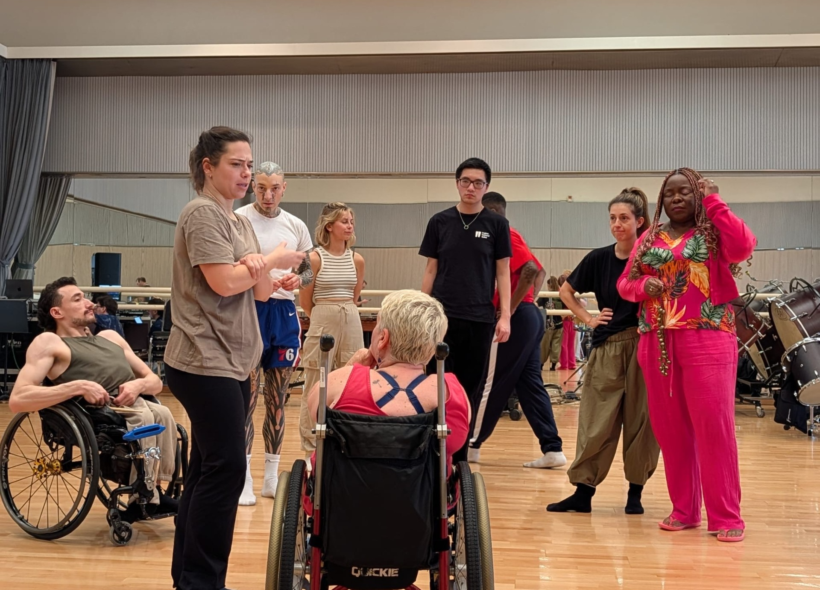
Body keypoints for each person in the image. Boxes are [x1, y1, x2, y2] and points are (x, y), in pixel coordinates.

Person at [164, 126, 304, 589]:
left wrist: (264, 270)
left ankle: (188, 577)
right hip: (203, 360)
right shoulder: (202, 214)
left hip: (233, 359)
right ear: (208, 166)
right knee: (226, 471)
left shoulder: (239, 221)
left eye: (249, 164)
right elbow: (225, 282)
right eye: (236, 164)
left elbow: (259, 287)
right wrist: (271, 259)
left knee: (207, 469)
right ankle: (202, 581)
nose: (246, 174)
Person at [617, 168, 755, 542]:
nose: (677, 199)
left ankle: (726, 515)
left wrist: (715, 202)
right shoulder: (649, 238)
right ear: (662, 199)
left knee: (714, 428)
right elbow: (624, 283)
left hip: (708, 336)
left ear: (698, 195)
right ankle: (685, 509)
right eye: (670, 193)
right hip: (657, 339)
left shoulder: (713, 231)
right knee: (670, 430)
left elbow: (744, 246)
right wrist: (644, 285)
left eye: (686, 193)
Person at [9, 277, 178, 519]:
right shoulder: (50, 342)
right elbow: (18, 398)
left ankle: (154, 490)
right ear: (57, 312)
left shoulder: (110, 337)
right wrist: (77, 386)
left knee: (162, 413)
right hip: (98, 412)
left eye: (85, 297)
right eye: (77, 299)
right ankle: (145, 494)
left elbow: (154, 382)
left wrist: (137, 385)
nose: (89, 303)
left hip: (131, 402)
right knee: (146, 416)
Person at [547, 188, 660, 515]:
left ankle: (634, 494)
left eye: (624, 218)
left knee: (642, 421)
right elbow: (566, 291)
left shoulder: (652, 260)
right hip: (607, 348)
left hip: (644, 345)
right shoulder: (598, 258)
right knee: (596, 421)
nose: (617, 224)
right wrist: (588, 318)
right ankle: (583, 494)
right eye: (612, 218)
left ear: (639, 221)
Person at [307, 289, 469, 471]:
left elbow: (315, 415)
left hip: (341, 494)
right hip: (420, 496)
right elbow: (455, 443)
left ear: (383, 338)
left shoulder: (342, 381)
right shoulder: (449, 391)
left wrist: (352, 368)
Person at [419, 157, 511, 463]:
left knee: (469, 388)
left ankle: (458, 456)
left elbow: (502, 273)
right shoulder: (440, 221)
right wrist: (421, 310)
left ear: (487, 187)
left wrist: (506, 316)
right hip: (441, 319)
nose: (471, 187)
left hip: (479, 319)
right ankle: (431, 450)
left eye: (478, 183)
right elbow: (431, 270)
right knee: (435, 382)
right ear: (457, 183)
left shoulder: (497, 224)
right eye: (465, 181)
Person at [234, 161, 314, 505]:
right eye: (262, 187)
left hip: (283, 313)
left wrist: (299, 280)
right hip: (249, 310)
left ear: (285, 189)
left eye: (275, 188)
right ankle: (244, 480)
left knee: (278, 399)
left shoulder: (295, 224)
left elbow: (309, 270)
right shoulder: (239, 219)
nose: (268, 194)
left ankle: (270, 476)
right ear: (253, 186)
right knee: (246, 400)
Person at [467, 192, 565, 468]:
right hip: (527, 316)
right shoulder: (505, 236)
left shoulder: (504, 232)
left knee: (491, 382)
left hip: (517, 318)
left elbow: (532, 270)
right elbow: (541, 272)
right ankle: (552, 449)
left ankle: (472, 445)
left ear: (492, 211)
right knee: (529, 384)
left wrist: (509, 309)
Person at [296, 202, 365, 455]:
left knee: (352, 379)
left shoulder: (357, 259)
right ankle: (310, 447)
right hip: (322, 316)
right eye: (344, 221)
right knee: (315, 382)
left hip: (350, 316)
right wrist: (324, 319)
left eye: (351, 221)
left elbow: (354, 295)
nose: (350, 226)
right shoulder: (309, 259)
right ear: (329, 226)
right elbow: (305, 301)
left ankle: (347, 441)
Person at [539, 276, 563, 371]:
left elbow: (537, 304)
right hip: (559, 324)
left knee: (544, 346)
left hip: (548, 325)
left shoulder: (545, 295)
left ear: (549, 285)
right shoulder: (560, 295)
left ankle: (540, 364)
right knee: (556, 345)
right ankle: (553, 365)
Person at [558, 272, 576, 370]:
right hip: (571, 318)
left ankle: (564, 364)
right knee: (570, 343)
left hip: (565, 319)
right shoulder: (572, 292)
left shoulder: (561, 293)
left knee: (564, 344)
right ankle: (572, 363)